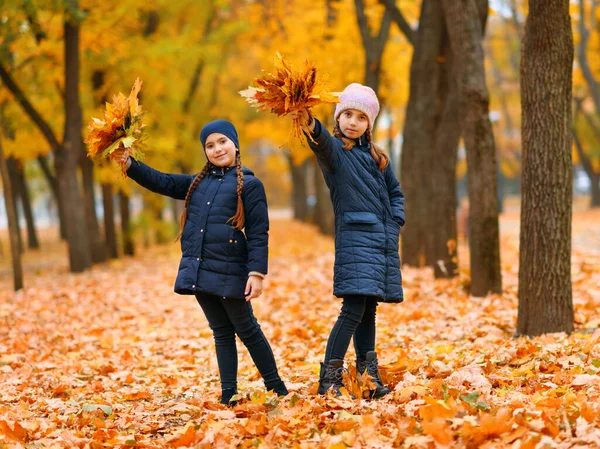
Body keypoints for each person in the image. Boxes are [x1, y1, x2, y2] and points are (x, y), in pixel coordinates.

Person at [111, 119, 288, 405]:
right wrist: (130, 164)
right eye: (210, 145)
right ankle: (229, 393)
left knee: (247, 330)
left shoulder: (251, 185)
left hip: (232, 269)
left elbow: (258, 232)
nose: (217, 149)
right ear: (205, 151)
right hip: (200, 268)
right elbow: (163, 181)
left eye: (222, 142)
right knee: (221, 332)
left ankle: (276, 387)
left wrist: (257, 272)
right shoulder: (197, 183)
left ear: (235, 144)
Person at [292, 83, 405, 399]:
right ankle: (330, 379)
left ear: (369, 123)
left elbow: (395, 192)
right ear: (338, 117)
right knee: (353, 308)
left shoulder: (377, 156)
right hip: (356, 239)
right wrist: (308, 121)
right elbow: (319, 140)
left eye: (361, 117)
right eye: (347, 115)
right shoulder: (336, 154)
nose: (353, 122)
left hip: (381, 242)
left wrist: (395, 221)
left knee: (368, 308)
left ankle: (368, 380)